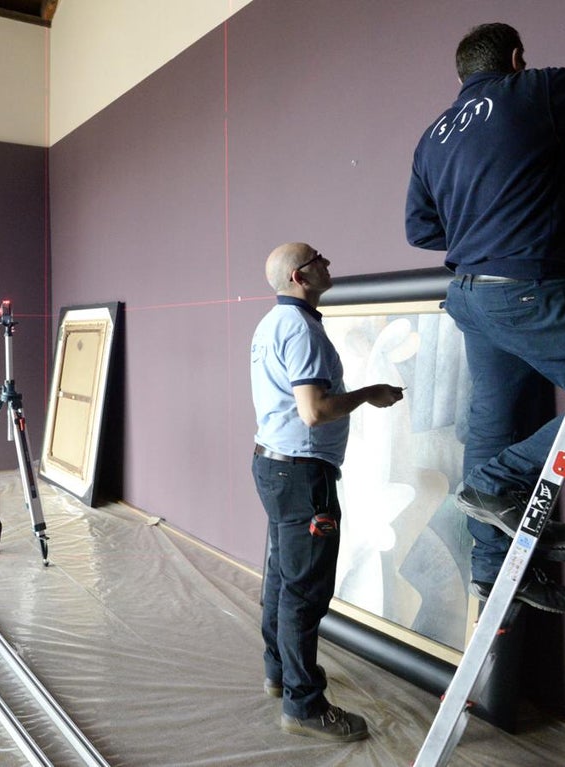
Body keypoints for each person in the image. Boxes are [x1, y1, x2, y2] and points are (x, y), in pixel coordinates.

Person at [404, 23, 565, 613]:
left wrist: (488, 225)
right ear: (517, 58)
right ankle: (500, 482)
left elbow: (420, 229)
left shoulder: (434, 138)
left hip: (471, 297)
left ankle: (493, 573)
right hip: (526, 293)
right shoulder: (527, 93)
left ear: (461, 76)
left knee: (492, 425)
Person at [251, 242, 404, 742]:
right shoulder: (300, 330)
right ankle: (304, 704)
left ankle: (280, 673)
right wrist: (369, 394)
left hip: (274, 467)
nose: (329, 263)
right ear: (300, 276)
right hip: (302, 476)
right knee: (305, 589)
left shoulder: (272, 324)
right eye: (319, 259)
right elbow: (314, 411)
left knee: (281, 574)